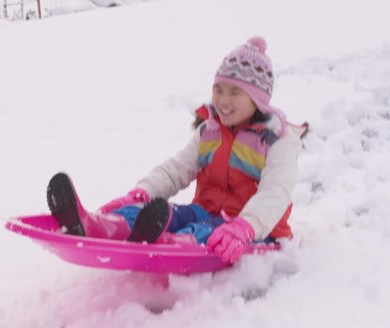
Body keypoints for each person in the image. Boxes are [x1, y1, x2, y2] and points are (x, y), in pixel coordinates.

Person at [47, 36, 305, 264]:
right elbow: (175, 170)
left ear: (258, 99)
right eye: (218, 90)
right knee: (163, 212)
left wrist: (246, 226)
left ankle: (168, 243)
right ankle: (100, 225)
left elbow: (276, 193)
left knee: (201, 233)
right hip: (205, 211)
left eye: (235, 93)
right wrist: (142, 193)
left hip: (252, 229)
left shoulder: (277, 141)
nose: (223, 101)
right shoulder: (210, 131)